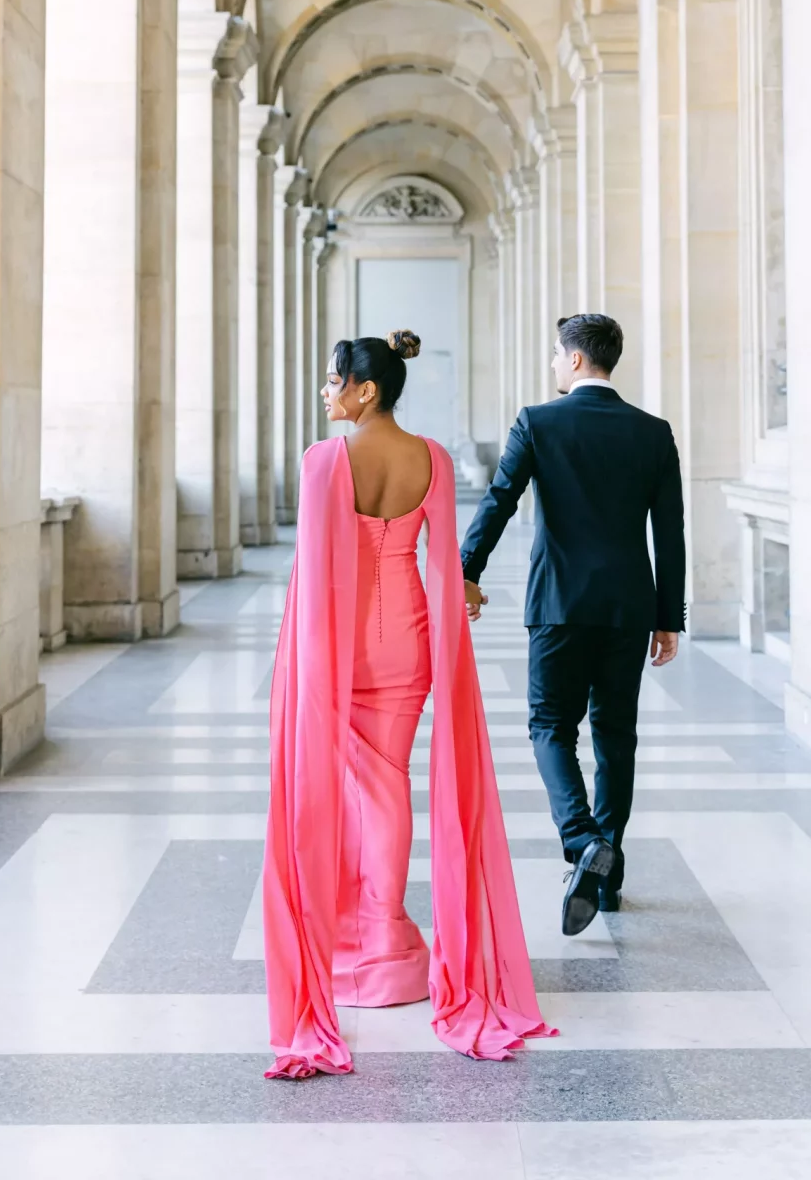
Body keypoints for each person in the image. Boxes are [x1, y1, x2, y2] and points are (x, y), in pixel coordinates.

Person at [262, 329, 554, 1080]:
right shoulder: (432, 457)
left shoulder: (326, 459)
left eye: (334, 382)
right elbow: (444, 559)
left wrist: (301, 656)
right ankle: (384, 934)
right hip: (411, 641)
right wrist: (463, 598)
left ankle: (365, 939)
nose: (327, 392)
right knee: (387, 778)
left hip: (343, 641)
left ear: (365, 389)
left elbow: (318, 564)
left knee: (350, 789)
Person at [460, 313, 685, 937]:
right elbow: (670, 532)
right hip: (627, 608)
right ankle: (606, 874)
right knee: (617, 734)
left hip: (558, 604)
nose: (555, 365)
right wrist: (670, 618)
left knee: (550, 724)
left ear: (578, 360)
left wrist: (464, 570)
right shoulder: (653, 432)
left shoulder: (538, 421)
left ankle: (582, 839)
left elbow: (499, 500)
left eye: (559, 356)